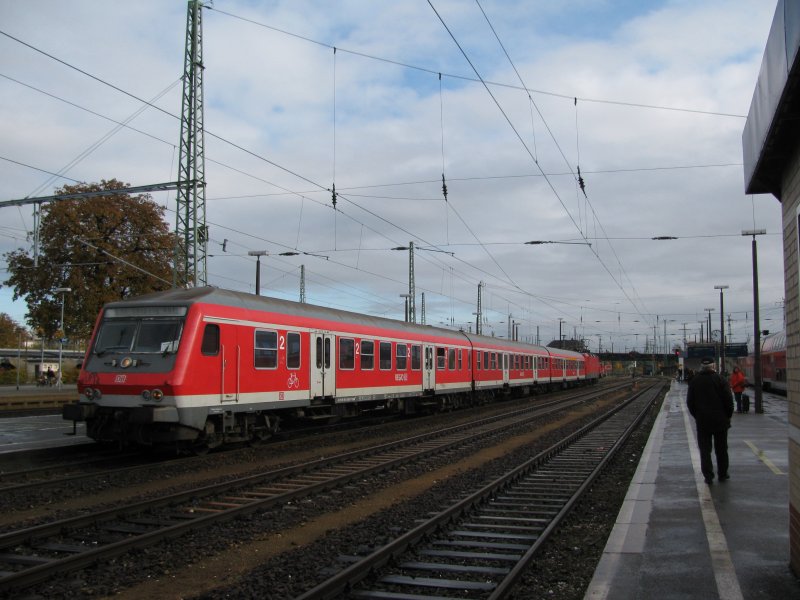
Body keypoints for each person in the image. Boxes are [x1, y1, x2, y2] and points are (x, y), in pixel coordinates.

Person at [687, 357, 734, 484]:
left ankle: (708, 476)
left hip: (703, 421)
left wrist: (697, 416)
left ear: (701, 367)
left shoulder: (695, 381)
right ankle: (723, 474)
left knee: (705, 450)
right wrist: (727, 416)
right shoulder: (721, 380)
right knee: (722, 449)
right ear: (713, 366)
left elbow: (690, 403)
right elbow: (729, 401)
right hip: (720, 421)